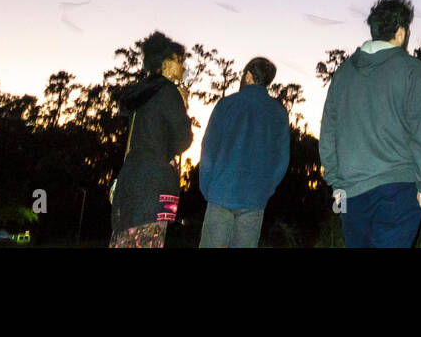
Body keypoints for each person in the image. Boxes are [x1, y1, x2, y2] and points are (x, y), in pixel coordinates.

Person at [319, 0, 421, 247]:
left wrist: (336, 183)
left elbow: (328, 133)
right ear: (402, 32)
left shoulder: (343, 73)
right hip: (398, 188)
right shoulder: (412, 69)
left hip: (351, 192)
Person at [110, 32, 192, 248]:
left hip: (130, 183)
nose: (183, 67)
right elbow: (183, 140)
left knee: (125, 240)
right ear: (166, 64)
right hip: (153, 188)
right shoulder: (168, 92)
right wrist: (183, 108)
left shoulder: (141, 93)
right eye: (179, 61)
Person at [198, 56, 290, 248]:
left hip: (220, 193)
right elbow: (282, 160)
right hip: (254, 198)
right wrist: (265, 188)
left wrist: (207, 187)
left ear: (248, 75)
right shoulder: (279, 112)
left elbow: (209, 148)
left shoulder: (226, 105)